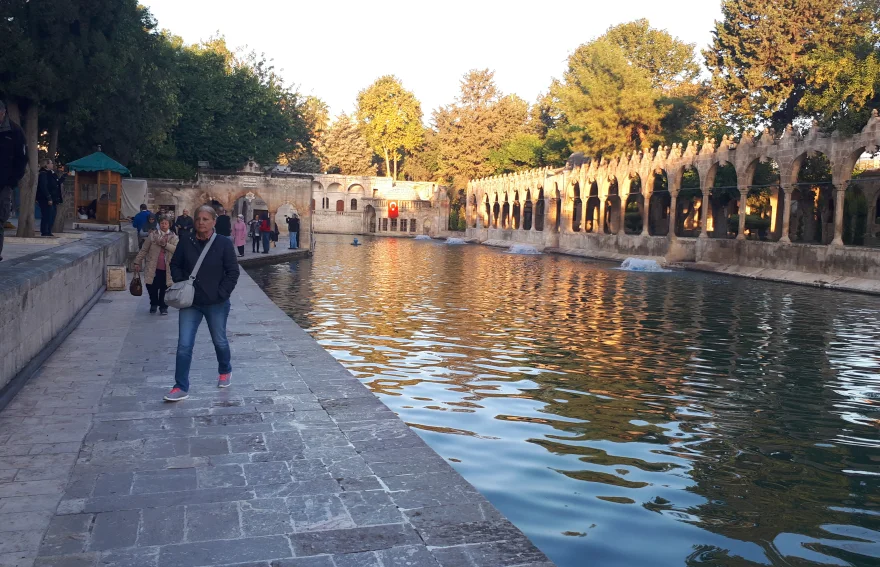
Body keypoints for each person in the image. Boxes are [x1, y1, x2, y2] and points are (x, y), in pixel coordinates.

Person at [165, 205, 240, 401]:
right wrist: (182, 282)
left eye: (206, 219)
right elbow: (175, 264)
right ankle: (180, 386)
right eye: (198, 219)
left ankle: (225, 370)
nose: (201, 222)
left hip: (216, 303)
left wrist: (221, 293)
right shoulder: (186, 241)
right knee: (184, 345)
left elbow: (233, 272)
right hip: (191, 302)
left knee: (220, 341)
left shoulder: (223, 243)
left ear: (214, 222)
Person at [133, 215, 178, 315]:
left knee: (164, 288)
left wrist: (165, 245)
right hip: (153, 266)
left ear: (169, 225)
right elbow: (144, 249)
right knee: (151, 286)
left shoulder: (174, 237)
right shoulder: (153, 235)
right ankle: (153, 303)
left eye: (166, 223)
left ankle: (163, 306)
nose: (164, 225)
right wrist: (137, 261)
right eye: (162, 223)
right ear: (159, 224)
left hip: (167, 268)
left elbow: (177, 250)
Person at [0, 99, 28, 262]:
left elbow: (22, 159)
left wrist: (12, 181)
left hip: (4, 184)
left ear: (3, 113)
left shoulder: (15, 132)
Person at [36, 159, 58, 236]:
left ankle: (48, 230)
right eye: (51, 163)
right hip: (44, 198)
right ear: (46, 165)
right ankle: (45, 231)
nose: (52, 165)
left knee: (51, 214)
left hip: (48, 197)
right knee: (46, 214)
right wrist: (48, 197)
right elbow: (43, 186)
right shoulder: (43, 174)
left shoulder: (48, 174)